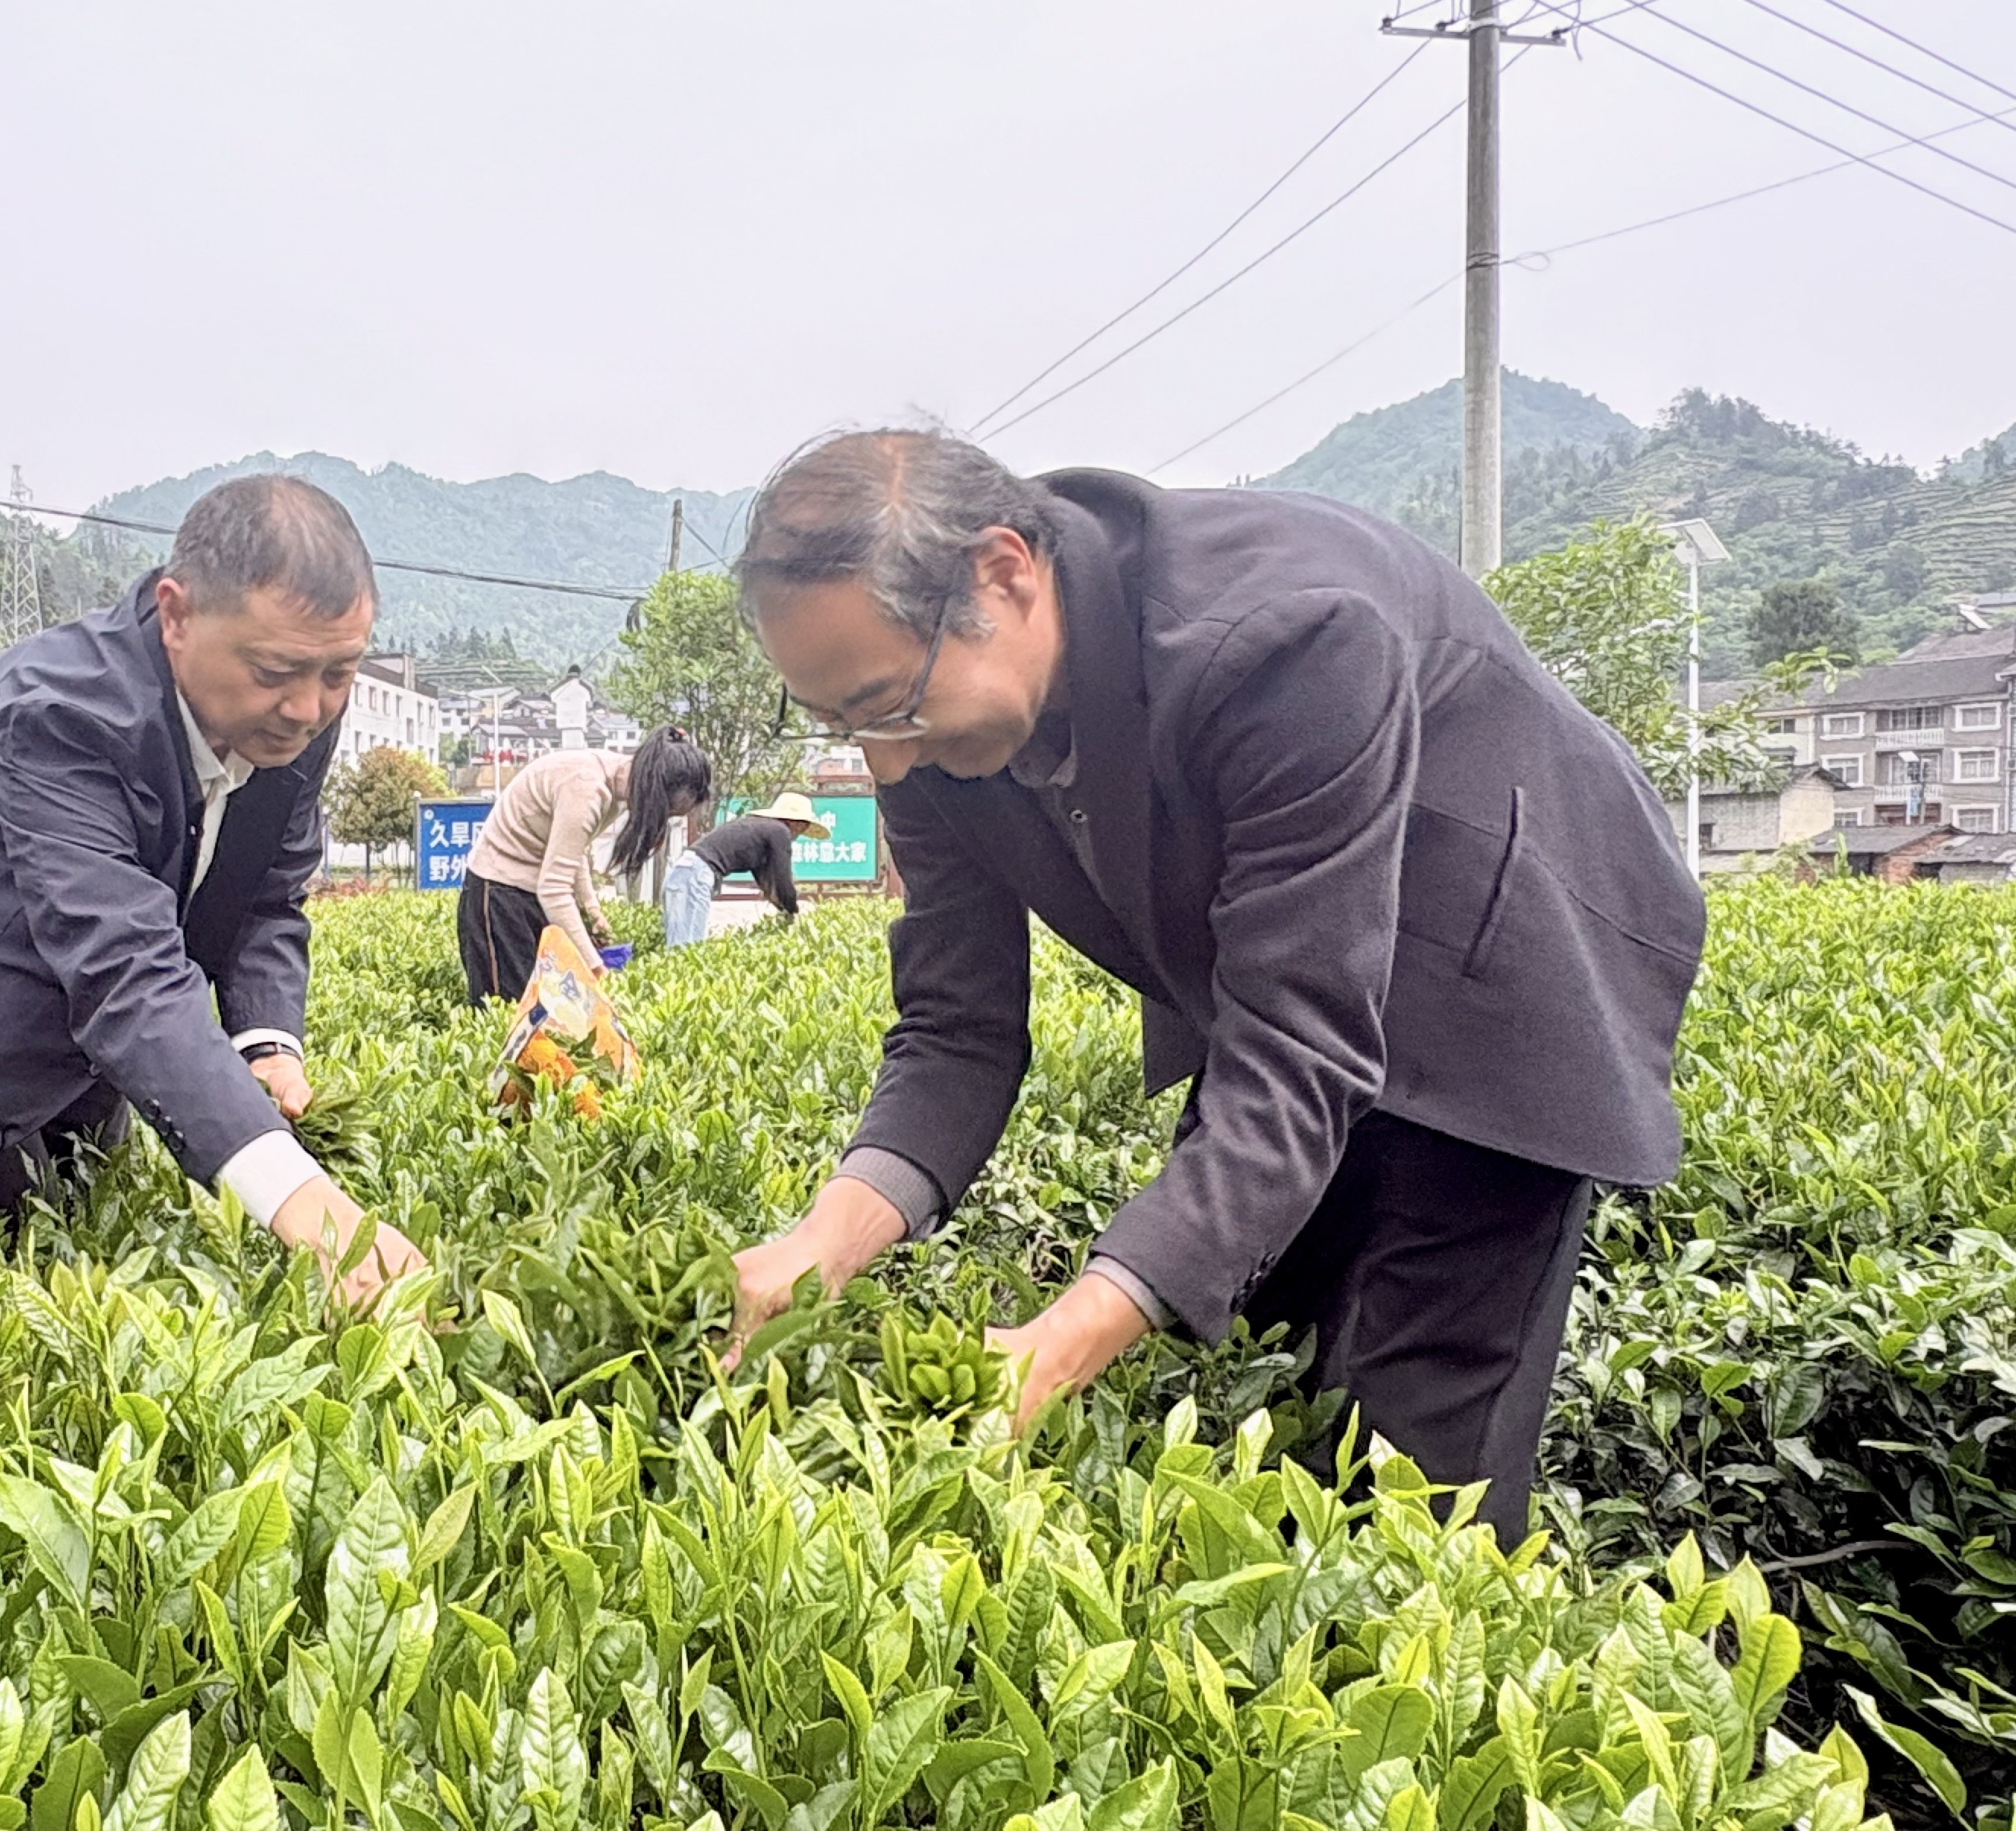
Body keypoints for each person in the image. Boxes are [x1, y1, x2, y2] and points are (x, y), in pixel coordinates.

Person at [722, 430, 1703, 1542]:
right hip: (1298, 969)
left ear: (1003, 572)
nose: (883, 762)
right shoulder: (930, 736)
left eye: (886, 705)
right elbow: (956, 1025)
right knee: (1270, 1374)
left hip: (1506, 962)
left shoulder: (1282, 629)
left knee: (1409, 1464)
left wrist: (1073, 1330)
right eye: (845, 724)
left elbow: (1300, 1044)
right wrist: (827, 1237)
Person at [0, 474, 426, 1309]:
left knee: (74, 1210)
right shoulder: (61, 712)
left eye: (339, 673)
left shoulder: (289, 715)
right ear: (176, 614)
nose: (307, 708)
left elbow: (265, 894)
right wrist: (304, 1202)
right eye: (277, 670)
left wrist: (265, 1041)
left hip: (90, 984)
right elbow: (125, 970)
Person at [458, 728, 712, 1001]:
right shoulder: (587, 788)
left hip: (528, 894)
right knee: (510, 1013)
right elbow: (554, 888)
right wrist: (595, 968)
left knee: (544, 1012)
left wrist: (592, 910)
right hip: (498, 894)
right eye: (667, 812)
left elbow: (572, 850)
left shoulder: (612, 786)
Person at [663, 791, 828, 947]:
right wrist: (793, 911)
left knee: (678, 942)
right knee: (688, 946)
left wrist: (783, 908)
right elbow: (782, 878)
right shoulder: (780, 831)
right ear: (795, 823)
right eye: (804, 827)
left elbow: (766, 877)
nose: (801, 833)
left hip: (683, 871)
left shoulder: (758, 828)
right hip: (695, 875)